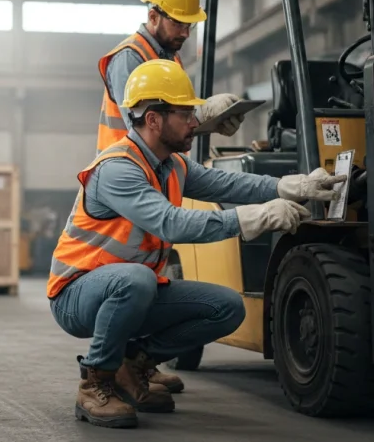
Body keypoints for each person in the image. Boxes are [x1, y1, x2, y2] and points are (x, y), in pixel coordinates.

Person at [49, 59, 345, 429]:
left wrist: (289, 185)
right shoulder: (118, 169)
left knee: (226, 307)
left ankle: (134, 364)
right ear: (153, 120)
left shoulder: (171, 164)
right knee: (135, 280)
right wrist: (251, 219)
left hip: (130, 287)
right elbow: (171, 221)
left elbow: (229, 185)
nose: (194, 122)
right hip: (77, 294)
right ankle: (95, 382)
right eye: (185, 114)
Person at [96, 0, 245, 155]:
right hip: (125, 173)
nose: (185, 33)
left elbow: (170, 125)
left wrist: (210, 124)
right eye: (178, 23)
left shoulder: (170, 58)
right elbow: (144, 131)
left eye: (189, 25)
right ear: (153, 17)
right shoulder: (129, 58)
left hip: (156, 173)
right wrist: (203, 114)